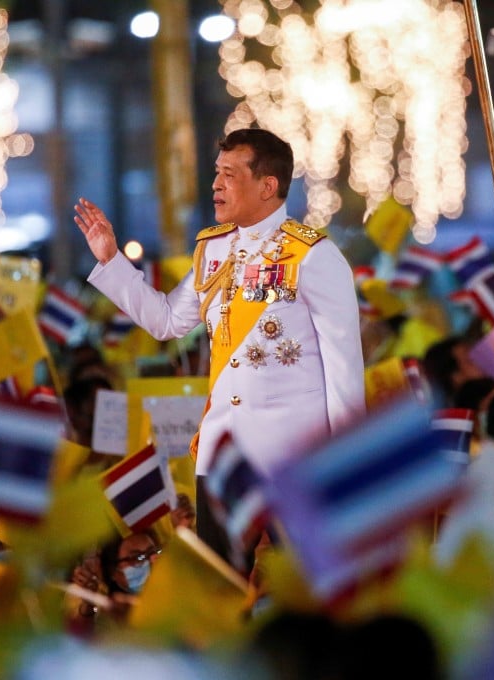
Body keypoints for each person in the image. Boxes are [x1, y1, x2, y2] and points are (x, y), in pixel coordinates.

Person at [74, 128, 366, 558]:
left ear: (268, 186)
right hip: (222, 459)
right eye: (216, 172)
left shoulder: (312, 255)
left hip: (293, 461)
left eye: (230, 174)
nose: (216, 184)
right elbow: (167, 321)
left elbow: (344, 369)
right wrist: (110, 260)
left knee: (294, 597)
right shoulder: (213, 251)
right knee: (222, 596)